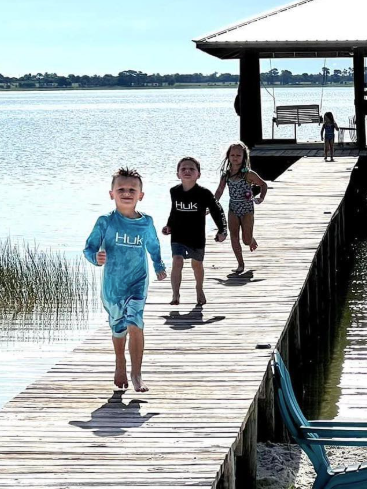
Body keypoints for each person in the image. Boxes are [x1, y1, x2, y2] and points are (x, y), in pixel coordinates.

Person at [84, 167, 166, 393]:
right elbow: (89, 248)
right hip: (113, 286)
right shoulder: (105, 222)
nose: (126, 193)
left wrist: (158, 265)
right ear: (111, 194)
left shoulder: (146, 222)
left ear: (141, 195)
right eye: (121, 189)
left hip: (138, 281)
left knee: (135, 322)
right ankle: (120, 361)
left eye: (132, 190)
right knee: (119, 327)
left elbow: (153, 245)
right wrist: (96, 258)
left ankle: (137, 374)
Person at [162, 156, 227, 306]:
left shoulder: (204, 193)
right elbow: (174, 211)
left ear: (199, 174)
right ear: (178, 174)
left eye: (192, 169)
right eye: (183, 169)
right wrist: (169, 226)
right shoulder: (174, 191)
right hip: (178, 235)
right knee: (177, 260)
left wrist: (222, 230)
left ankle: (199, 288)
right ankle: (175, 294)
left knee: (197, 264)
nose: (187, 171)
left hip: (196, 236)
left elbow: (217, 210)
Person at [215, 142, 268, 275]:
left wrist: (261, 198)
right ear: (228, 156)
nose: (235, 157)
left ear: (244, 157)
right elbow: (220, 190)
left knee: (246, 240)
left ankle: (251, 239)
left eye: (238, 155)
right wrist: (212, 204)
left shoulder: (248, 174)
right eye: (232, 155)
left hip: (247, 209)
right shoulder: (226, 174)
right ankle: (240, 264)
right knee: (234, 237)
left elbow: (263, 184)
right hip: (233, 208)